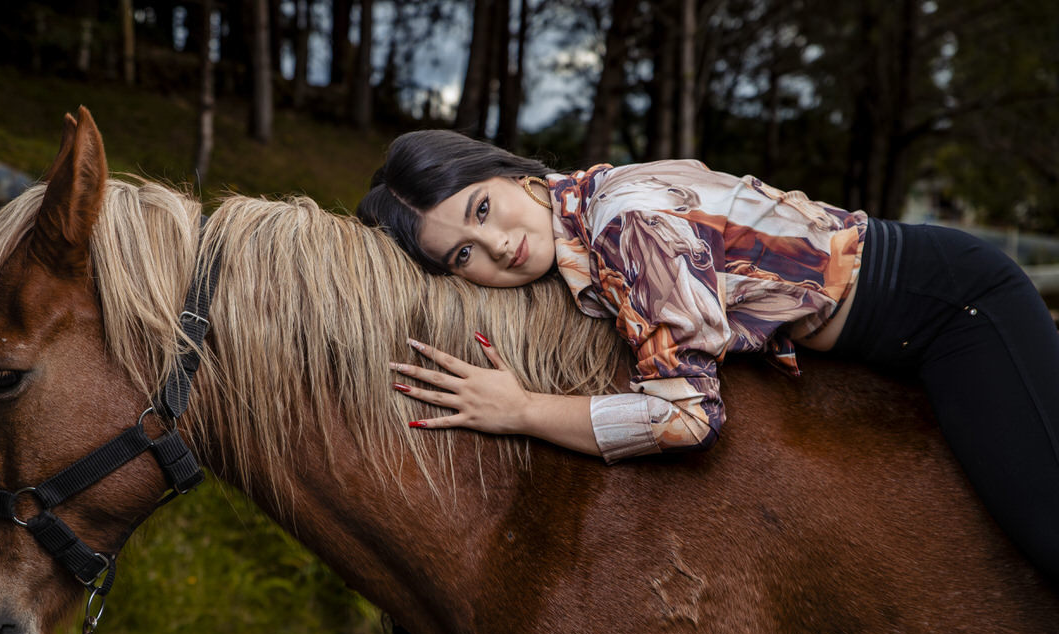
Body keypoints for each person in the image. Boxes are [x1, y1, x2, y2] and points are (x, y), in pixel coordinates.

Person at [356, 129, 1059, 583]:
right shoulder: (584, 214)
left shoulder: (625, 226)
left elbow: (688, 418)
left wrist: (520, 410)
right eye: (462, 255)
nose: (497, 245)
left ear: (508, 174)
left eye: (482, 210)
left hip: (953, 308)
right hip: (899, 318)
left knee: (1048, 532)